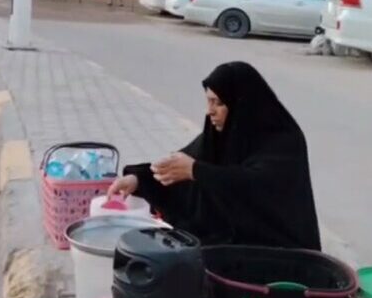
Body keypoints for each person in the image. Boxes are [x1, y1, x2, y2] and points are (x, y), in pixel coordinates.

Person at [107, 61, 321, 250]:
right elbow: (178, 168)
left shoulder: (284, 139)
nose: (210, 111)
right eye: (208, 101)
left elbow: (258, 186)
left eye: (218, 103)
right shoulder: (217, 137)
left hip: (276, 254)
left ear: (242, 105)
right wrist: (138, 179)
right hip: (226, 247)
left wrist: (198, 171)